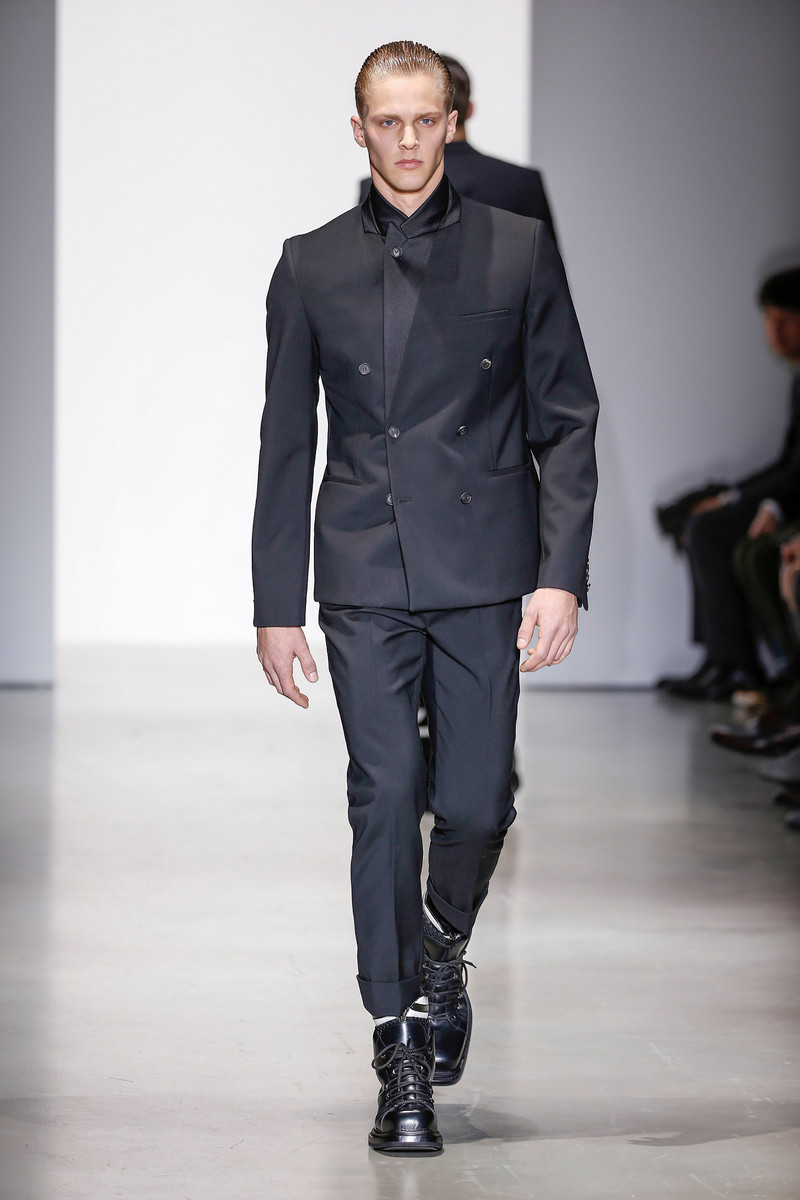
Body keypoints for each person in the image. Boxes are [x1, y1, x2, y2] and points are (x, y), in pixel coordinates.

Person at [252, 42, 598, 1155]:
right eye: (386, 121)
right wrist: (274, 603)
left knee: (480, 802)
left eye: (424, 119)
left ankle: (443, 943)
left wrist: (559, 573)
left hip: (484, 568)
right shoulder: (309, 263)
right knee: (385, 792)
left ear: (453, 122)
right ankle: (398, 1043)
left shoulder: (517, 248)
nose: (406, 140)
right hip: (361, 570)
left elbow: (566, 419)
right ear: (358, 129)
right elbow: (285, 442)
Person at [658, 267, 800, 701]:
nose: (774, 330)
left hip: (790, 501)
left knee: (706, 529)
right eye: (769, 318)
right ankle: (723, 660)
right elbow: (790, 463)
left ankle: (735, 664)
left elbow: (794, 471)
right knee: (689, 519)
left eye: (785, 318)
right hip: (786, 495)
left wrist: (750, 502)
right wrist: (730, 496)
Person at [359, 53, 558, 244]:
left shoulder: (377, 185)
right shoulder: (524, 183)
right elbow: (545, 261)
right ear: (470, 110)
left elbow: (368, 260)